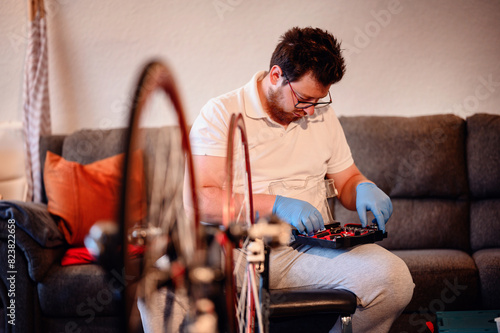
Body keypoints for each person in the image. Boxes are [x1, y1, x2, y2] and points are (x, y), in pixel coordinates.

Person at [187, 26, 414, 332]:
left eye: (317, 101)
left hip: (310, 250)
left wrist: (363, 188)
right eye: (303, 99)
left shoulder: (321, 115)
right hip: (241, 254)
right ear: (276, 75)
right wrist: (277, 205)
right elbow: (201, 199)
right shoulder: (221, 114)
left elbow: (347, 179)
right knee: (162, 290)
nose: (309, 112)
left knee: (395, 281)